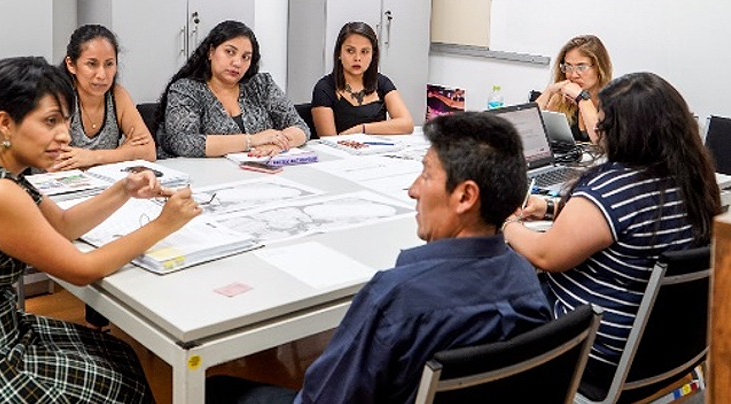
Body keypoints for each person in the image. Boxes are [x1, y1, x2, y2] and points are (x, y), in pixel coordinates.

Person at [0, 56, 201, 403]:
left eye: (66, 121)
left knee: (119, 355)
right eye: (50, 121)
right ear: (6, 123)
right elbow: (82, 270)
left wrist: (124, 190)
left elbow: (63, 225)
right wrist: (164, 224)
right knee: (117, 384)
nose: (64, 135)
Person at [205, 112, 552, 404]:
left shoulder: (398, 298)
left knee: (217, 388)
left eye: (427, 174)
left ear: (465, 197)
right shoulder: (527, 280)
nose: (413, 189)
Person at [503, 72, 721, 393]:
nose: (598, 132)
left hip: (594, 353)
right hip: (669, 352)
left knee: (496, 281)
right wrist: (549, 209)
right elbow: (622, 225)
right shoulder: (691, 180)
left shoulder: (613, 186)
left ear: (626, 132)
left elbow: (544, 254)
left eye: (603, 124)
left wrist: (506, 223)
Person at [156, 20, 309, 158]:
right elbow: (184, 142)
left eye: (246, 57)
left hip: (258, 172)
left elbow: (300, 127)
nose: (237, 63)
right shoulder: (186, 90)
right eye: (229, 52)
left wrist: (276, 144)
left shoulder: (261, 85)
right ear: (211, 52)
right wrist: (252, 140)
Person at [53, 24, 156, 171]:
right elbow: (58, 163)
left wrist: (93, 157)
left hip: (106, 184)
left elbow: (149, 151)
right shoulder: (60, 97)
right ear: (71, 65)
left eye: (109, 64)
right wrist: (124, 152)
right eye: (92, 64)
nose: (102, 75)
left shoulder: (117, 95)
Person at [311, 21, 413, 137]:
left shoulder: (381, 82)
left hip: (378, 151)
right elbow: (329, 141)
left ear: (373, 55)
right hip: (341, 153)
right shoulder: (324, 88)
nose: (357, 58)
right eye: (350, 51)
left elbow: (407, 124)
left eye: (364, 52)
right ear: (339, 53)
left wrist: (362, 129)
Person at [534, 35, 612, 144]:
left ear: (599, 68)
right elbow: (527, 130)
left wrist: (582, 98)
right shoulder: (560, 99)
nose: (573, 75)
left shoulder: (614, 100)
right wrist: (549, 92)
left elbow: (601, 142)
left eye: (581, 67)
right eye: (568, 67)